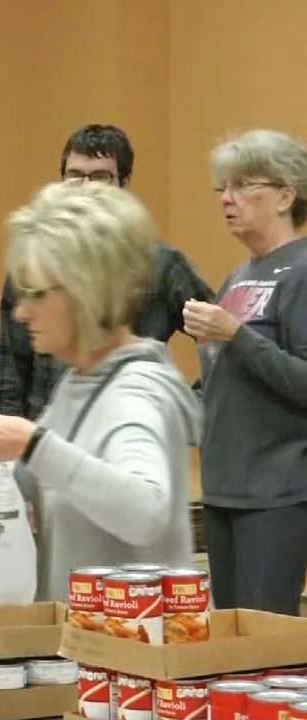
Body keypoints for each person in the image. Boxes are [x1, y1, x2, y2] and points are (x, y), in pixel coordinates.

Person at [0, 181, 200, 602]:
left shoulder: (135, 394)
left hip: (132, 639)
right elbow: (36, 476)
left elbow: (148, 510)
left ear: (87, 292)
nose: (21, 313)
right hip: (85, 635)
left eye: (36, 294)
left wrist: (33, 444)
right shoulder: (80, 381)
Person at [0, 124, 213, 419]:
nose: (85, 188)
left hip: (124, 418)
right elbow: (10, 369)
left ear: (124, 183)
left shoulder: (158, 263)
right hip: (46, 424)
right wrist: (3, 435)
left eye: (100, 177)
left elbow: (220, 337)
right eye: (74, 176)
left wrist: (189, 405)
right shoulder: (34, 260)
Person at [183, 129, 307, 615]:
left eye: (241, 185)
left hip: (275, 494)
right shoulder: (237, 277)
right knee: (230, 638)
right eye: (223, 187)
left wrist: (237, 335)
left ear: (285, 195)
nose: (226, 199)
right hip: (223, 489)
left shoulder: (302, 271)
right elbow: (225, 380)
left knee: (264, 640)